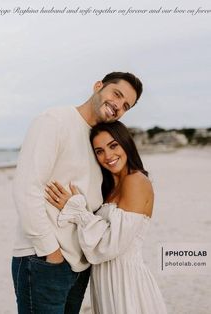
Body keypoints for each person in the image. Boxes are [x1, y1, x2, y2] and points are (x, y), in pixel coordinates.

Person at [12, 72, 143, 313]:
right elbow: (26, 187)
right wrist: (51, 252)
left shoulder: (99, 141)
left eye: (126, 106)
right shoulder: (55, 120)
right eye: (117, 94)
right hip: (45, 259)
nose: (118, 106)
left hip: (80, 265)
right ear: (98, 86)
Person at [45, 121, 167, 314]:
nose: (108, 156)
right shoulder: (109, 188)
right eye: (99, 151)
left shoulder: (136, 181)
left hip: (126, 282)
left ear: (126, 143)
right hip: (105, 280)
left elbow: (111, 244)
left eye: (113, 146)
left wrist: (77, 211)